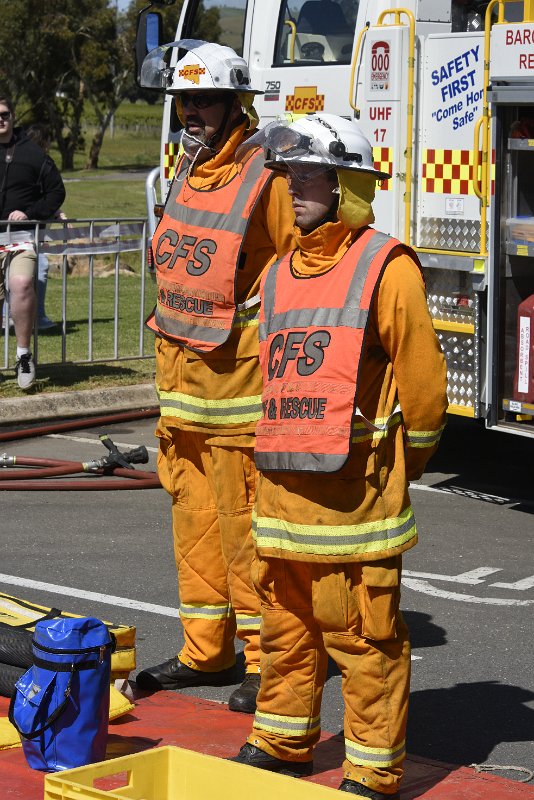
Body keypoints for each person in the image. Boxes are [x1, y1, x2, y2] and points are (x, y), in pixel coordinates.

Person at [230, 113, 448, 797]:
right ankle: (282, 739)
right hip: (285, 499)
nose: (294, 186)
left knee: (362, 638)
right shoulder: (280, 269)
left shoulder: (387, 267)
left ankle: (372, 770)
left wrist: (403, 465)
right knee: (286, 628)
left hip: (357, 504)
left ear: (347, 182)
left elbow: (423, 384)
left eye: (310, 175)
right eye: (289, 173)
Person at [134, 41, 296, 714]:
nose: (191, 112)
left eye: (203, 100)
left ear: (237, 102)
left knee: (243, 530)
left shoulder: (268, 173)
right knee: (195, 526)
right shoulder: (186, 164)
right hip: (183, 390)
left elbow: (301, 268)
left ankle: (266, 661)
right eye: (183, 101)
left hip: (240, 390)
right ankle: (207, 650)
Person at [0, 96, 65, 389]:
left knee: (23, 284)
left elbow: (56, 191)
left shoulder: (33, 153)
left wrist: (30, 213)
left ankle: (24, 356)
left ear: (12, 116)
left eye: (4, 114)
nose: (0, 120)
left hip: (20, 238)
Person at [25, 122, 65, 331]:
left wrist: (55, 211)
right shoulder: (40, 163)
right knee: (39, 268)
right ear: (44, 141)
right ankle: (36, 318)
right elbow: (43, 195)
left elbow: (44, 194)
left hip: (35, 227)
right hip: (28, 229)